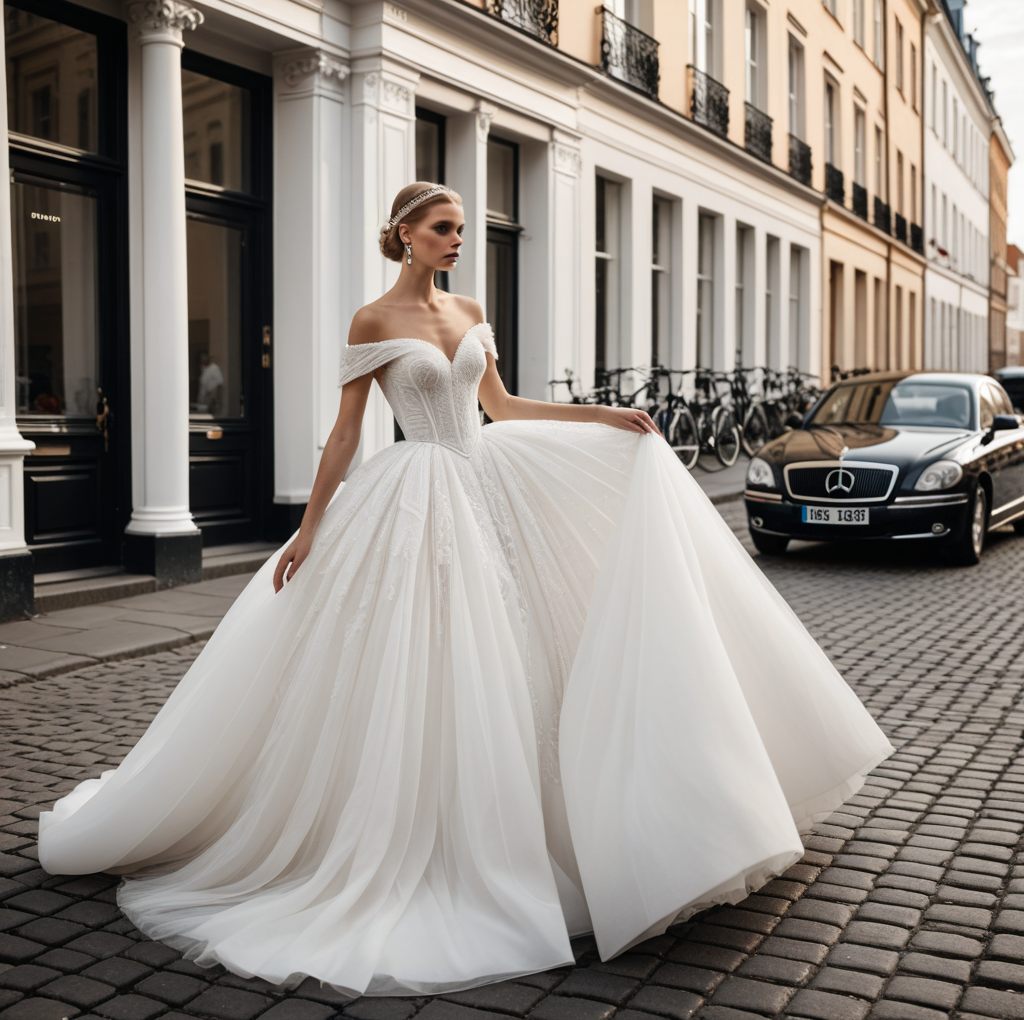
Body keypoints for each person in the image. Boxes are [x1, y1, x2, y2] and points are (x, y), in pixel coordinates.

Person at [37, 182, 893, 998]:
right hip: (409, 494)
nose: (458, 240)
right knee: (414, 652)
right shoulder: (375, 318)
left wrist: (606, 417)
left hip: (485, 486)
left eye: (460, 229)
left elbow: (504, 408)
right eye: (444, 228)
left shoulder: (473, 311)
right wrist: (309, 525)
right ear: (406, 234)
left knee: (517, 648)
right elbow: (345, 436)